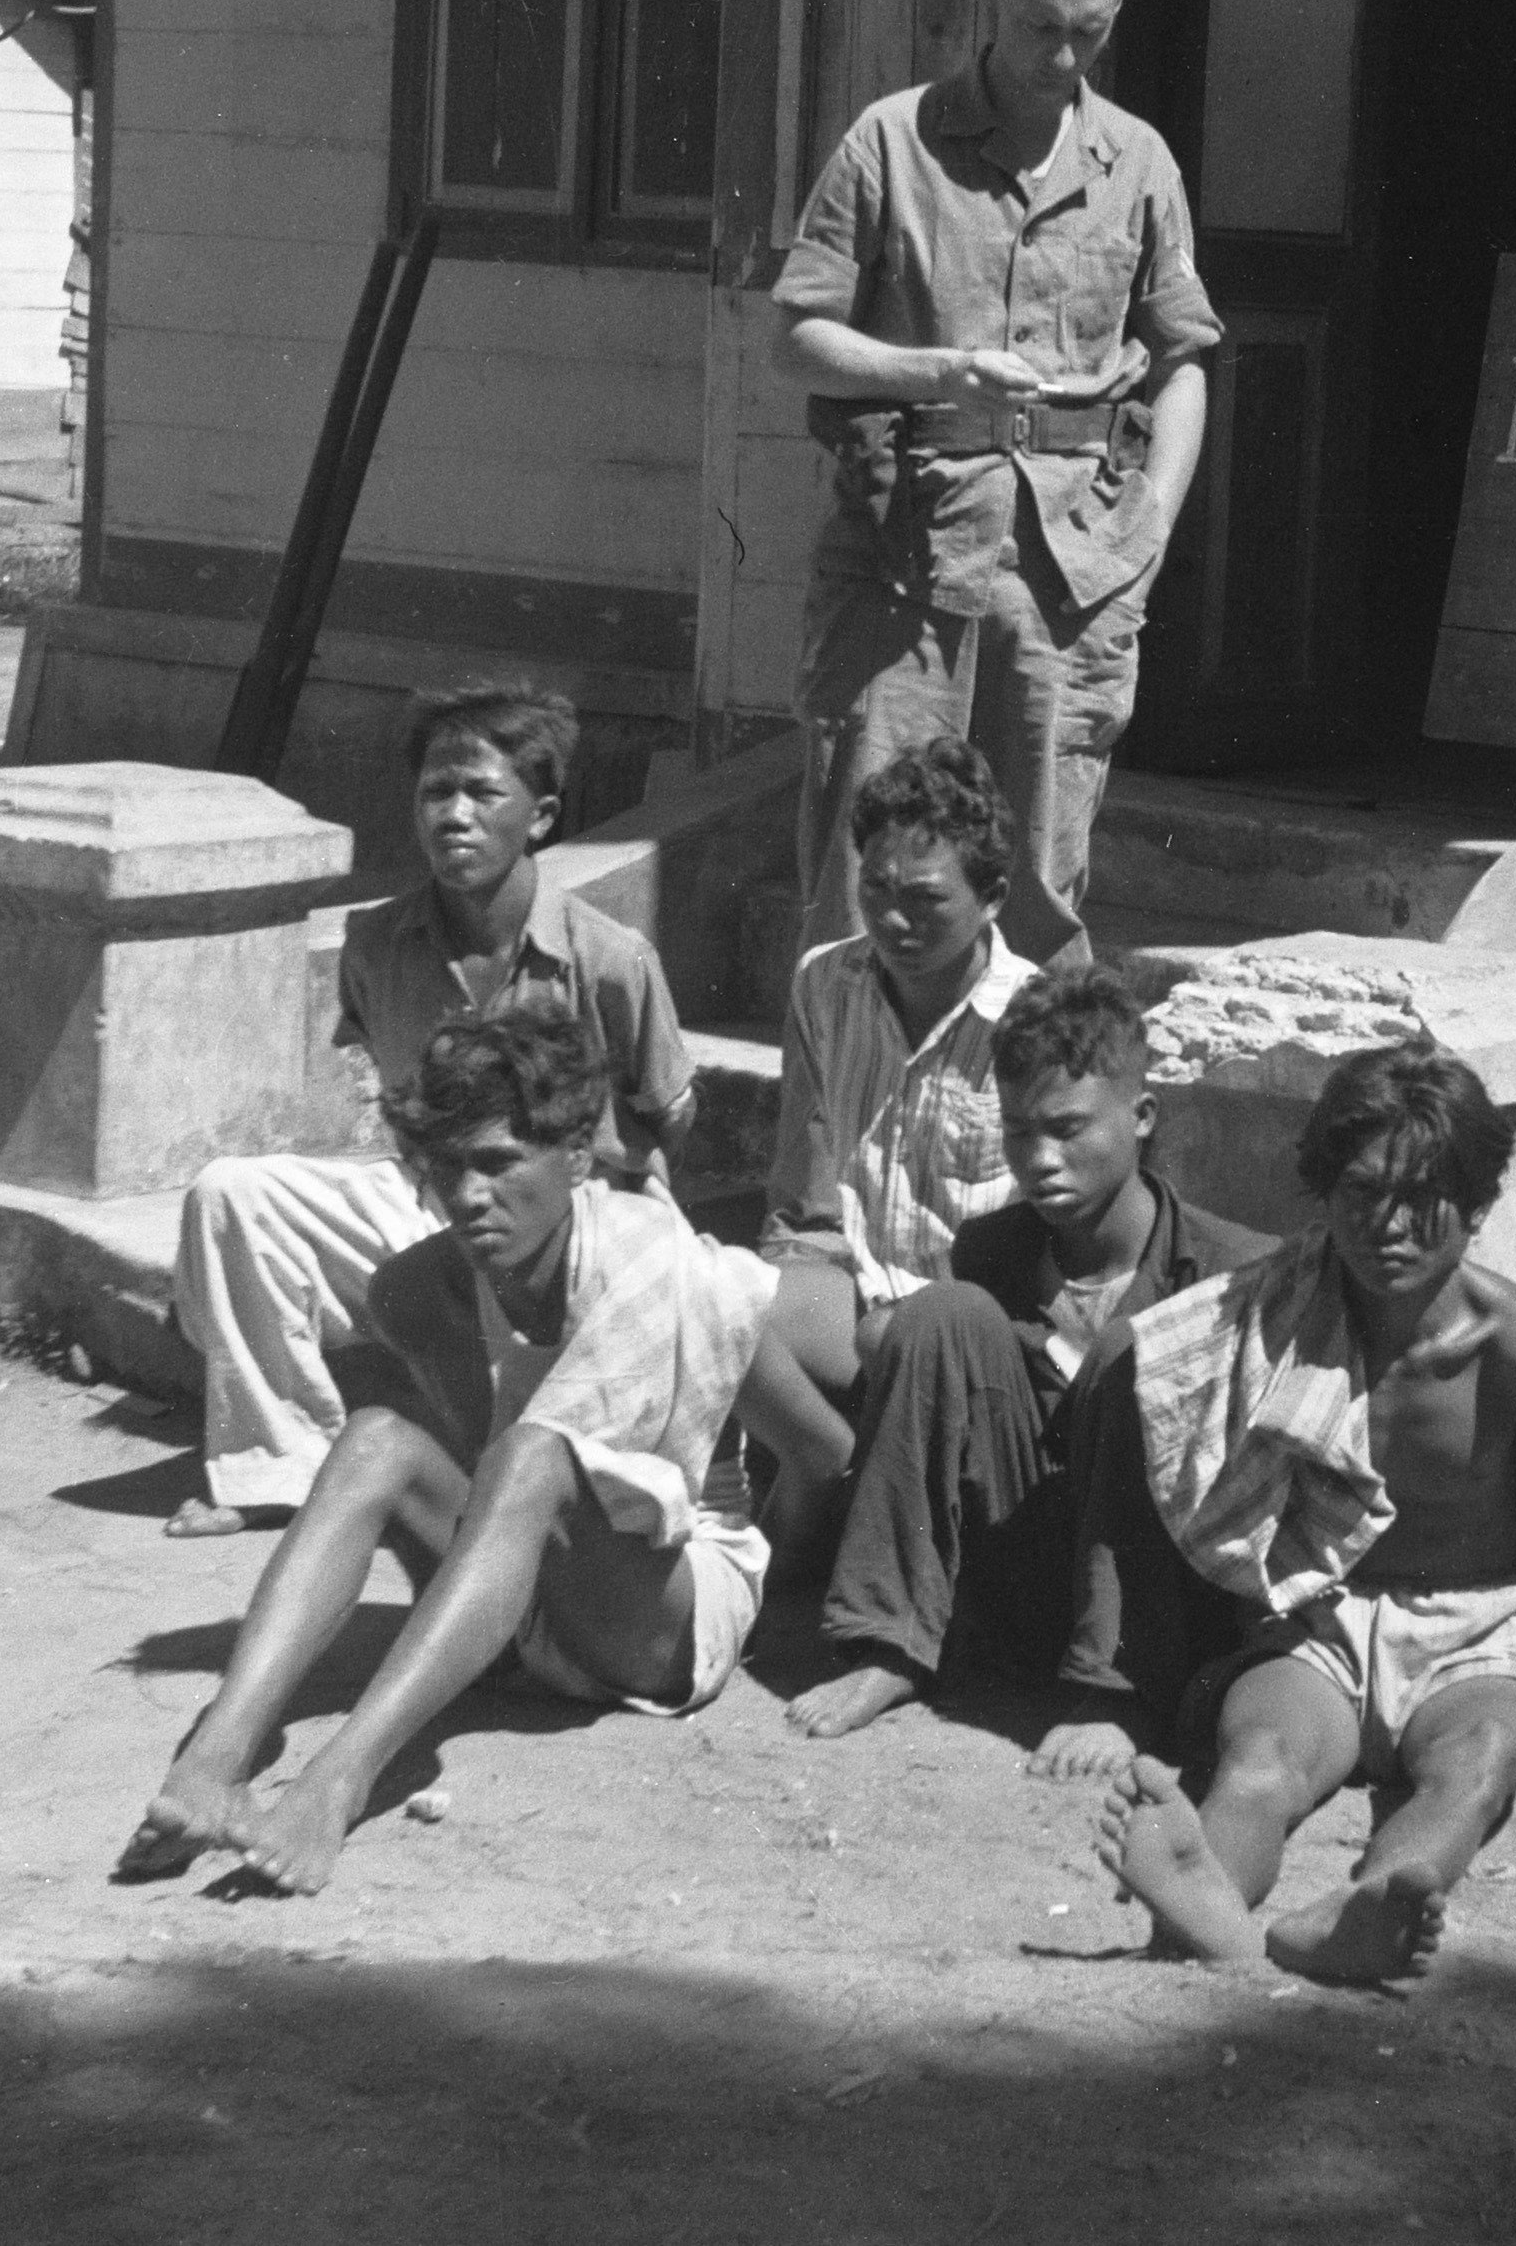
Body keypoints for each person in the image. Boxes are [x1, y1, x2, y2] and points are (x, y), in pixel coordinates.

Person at [116, 1009, 851, 1896]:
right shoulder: (422, 1292)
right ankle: (215, 1759)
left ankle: (336, 1784)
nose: (468, 1195)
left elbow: (822, 1450)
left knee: (534, 1453)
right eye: (447, 1167)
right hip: (534, 1598)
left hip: (659, 1615)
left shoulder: (667, 1266)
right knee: (376, 1438)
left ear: (577, 1157)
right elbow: (485, 1498)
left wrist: (770, 1586)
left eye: (500, 1164)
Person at [1087, 1042, 1516, 1987]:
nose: (1390, 1227)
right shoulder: (1272, 1314)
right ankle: (1202, 1891)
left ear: (1480, 1203)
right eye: (1362, 1193)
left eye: (1424, 1198)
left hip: (1477, 1626)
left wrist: (1510, 1617)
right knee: (1258, 1759)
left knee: (1481, 1759)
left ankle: (1376, 1901)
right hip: (1323, 1617)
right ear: (1324, 1193)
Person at [777, 0, 1218, 968]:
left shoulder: (1139, 164)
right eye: (1041, 27)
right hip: (903, 574)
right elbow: (797, 337)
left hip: (1070, 585)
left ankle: (1010, 1141)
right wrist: (939, 374)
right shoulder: (892, 142)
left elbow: (1182, 359)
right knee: (866, 894)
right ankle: (853, 1131)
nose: (1066, 57)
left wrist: (1153, 523)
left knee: (1037, 904)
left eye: (1092, 31)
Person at [168, 684, 693, 1536]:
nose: (455, 814)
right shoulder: (376, 945)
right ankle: (282, 1471)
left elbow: (667, 1114)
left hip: (575, 1222)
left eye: (483, 794)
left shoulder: (607, 958)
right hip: (433, 1200)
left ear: (542, 815)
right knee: (232, 1193)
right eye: (435, 793)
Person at [782, 966, 1272, 1738]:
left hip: (1159, 1611)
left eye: (1068, 1129)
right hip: (1023, 1584)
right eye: (1018, 1131)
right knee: (941, 1314)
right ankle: (891, 1647)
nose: (1039, 1159)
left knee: (1137, 1349)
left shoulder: (1228, 1269)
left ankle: (1115, 1695)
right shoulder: (993, 1251)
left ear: (1141, 1117)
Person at [757, 739, 1042, 1444]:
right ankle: (803, 1485)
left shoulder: (1039, 1017)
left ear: (992, 899)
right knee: (709, 1299)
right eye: (875, 891)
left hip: (979, 1327)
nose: (892, 920)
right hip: (858, 1302)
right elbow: (805, 1191)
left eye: (925, 900)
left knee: (899, 1341)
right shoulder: (825, 982)